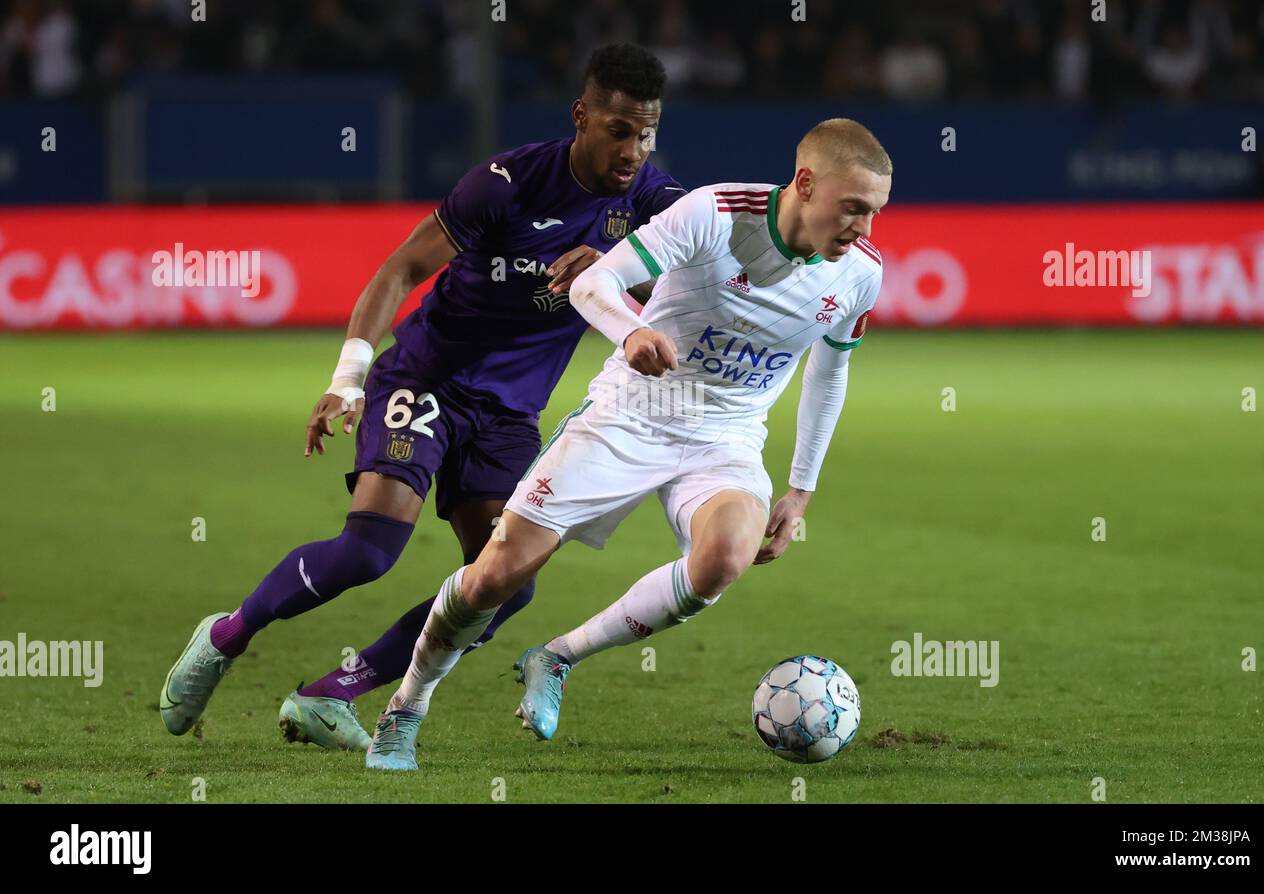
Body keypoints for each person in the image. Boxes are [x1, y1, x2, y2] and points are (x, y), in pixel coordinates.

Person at [159, 44, 686, 750]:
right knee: (369, 551)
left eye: (647, 132)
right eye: (619, 129)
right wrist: (346, 379)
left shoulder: (653, 202)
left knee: (504, 583)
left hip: (507, 415)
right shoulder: (506, 182)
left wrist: (622, 271)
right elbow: (403, 265)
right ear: (581, 116)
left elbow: (706, 278)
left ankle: (332, 694)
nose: (634, 149)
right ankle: (226, 636)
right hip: (428, 377)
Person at [364, 117, 891, 770]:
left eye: (874, 214)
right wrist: (629, 332)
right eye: (854, 209)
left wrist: (802, 487)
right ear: (805, 184)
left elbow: (830, 369)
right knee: (494, 575)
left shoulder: (861, 274)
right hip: (629, 416)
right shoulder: (713, 215)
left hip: (724, 439)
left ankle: (556, 658)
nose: (864, 229)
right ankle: (406, 707)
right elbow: (593, 284)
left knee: (723, 560)